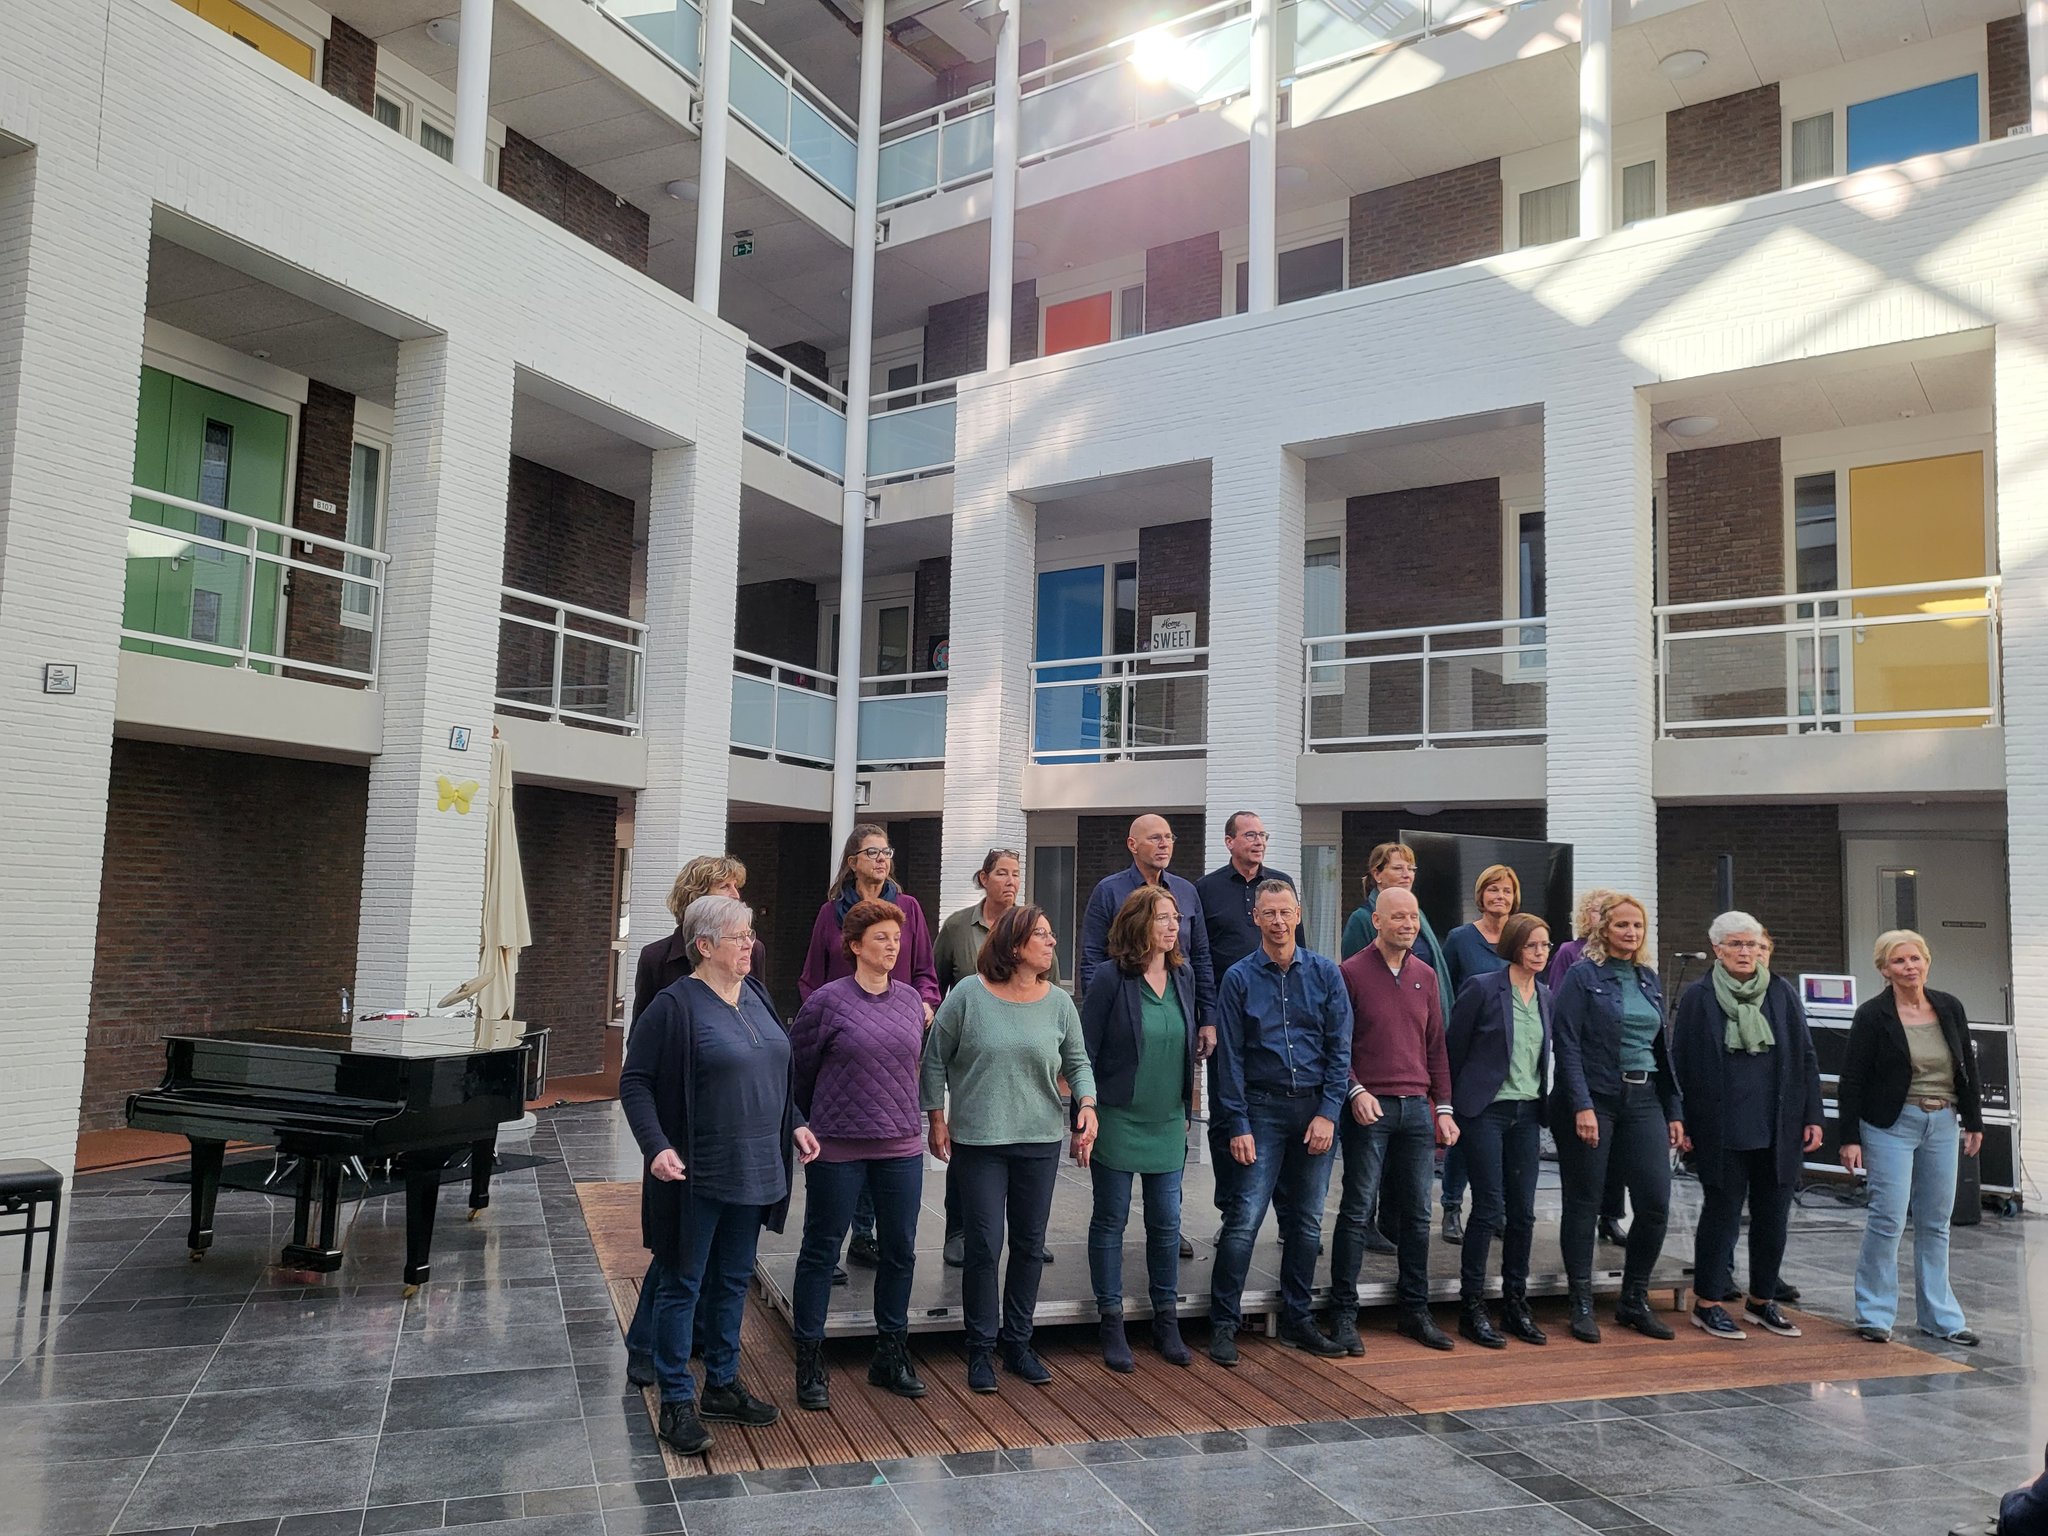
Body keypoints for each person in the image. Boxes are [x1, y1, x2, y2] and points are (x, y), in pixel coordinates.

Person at [619, 895, 820, 1455]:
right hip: (697, 1172)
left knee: (733, 1280)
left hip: (756, 1168)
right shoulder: (674, 1006)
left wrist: (795, 1122)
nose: (750, 945)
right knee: (683, 1282)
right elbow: (635, 1081)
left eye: (750, 934)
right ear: (704, 945)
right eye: (739, 937)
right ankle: (676, 1400)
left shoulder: (755, 994)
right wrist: (656, 1145)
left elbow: (773, 1070)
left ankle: (723, 1385)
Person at [922, 904, 1097, 1392]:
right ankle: (980, 1349)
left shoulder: (1059, 1003)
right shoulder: (968, 995)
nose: (1052, 941)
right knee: (983, 1246)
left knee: (1028, 1245)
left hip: (1038, 1141)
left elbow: (1078, 1062)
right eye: (1042, 934)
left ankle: (1018, 1344)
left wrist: (1087, 1104)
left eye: (1051, 933)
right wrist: (936, 1118)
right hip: (979, 1142)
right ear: (1015, 946)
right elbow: (934, 1059)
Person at [623, 855, 764, 1390]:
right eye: (726, 887)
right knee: (677, 1252)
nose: (736, 896)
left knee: (723, 1258)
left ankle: (701, 1344)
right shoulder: (658, 959)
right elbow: (641, 1046)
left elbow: (754, 1025)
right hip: (679, 1126)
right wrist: (656, 1135)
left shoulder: (750, 954)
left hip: (734, 1127)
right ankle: (646, 1346)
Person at [787, 899, 929, 1411]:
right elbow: (797, 1070)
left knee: (900, 1251)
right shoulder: (827, 1002)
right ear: (854, 946)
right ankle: (810, 1359)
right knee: (821, 1251)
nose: (892, 946)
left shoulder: (911, 1001)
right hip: (838, 1148)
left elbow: (915, 1067)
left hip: (900, 1146)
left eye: (896, 938)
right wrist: (803, 1123)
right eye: (881, 938)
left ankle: (890, 1353)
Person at [1207, 880, 1352, 1365]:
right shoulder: (1238, 979)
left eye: (1285, 912)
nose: (1278, 921)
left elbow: (1340, 1049)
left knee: (1306, 1223)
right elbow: (1229, 1059)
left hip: (1314, 1110)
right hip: (1261, 1110)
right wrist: (1237, 1123)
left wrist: (1329, 1112)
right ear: (1256, 918)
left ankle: (1297, 1319)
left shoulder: (1326, 974)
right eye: (1268, 913)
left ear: (1298, 914)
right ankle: (1223, 1323)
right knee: (1244, 1219)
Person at [1670, 910, 1824, 1342]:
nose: (1746, 952)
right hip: (1721, 1125)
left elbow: (1805, 1056)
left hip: (1778, 1124)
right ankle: (1708, 1303)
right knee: (1721, 1213)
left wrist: (1813, 1115)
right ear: (1717, 949)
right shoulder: (1699, 996)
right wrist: (1681, 1119)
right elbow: (1680, 1061)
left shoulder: (1780, 991)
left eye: (1753, 944)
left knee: (1774, 1215)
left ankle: (1761, 1300)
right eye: (1736, 944)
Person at [799, 824, 942, 1272]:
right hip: (843, 1044)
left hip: (896, 1039)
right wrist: (825, 1020)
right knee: (846, 1134)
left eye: (887, 852)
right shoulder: (830, 913)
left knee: (884, 1130)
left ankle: (866, 1235)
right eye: (872, 852)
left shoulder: (908, 908)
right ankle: (836, 1240)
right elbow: (811, 978)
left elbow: (926, 971)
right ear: (853, 861)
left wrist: (924, 1003)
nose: (882, 859)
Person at [1838, 929, 1983, 1347]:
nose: (1909, 967)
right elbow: (1852, 1079)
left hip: (1942, 1121)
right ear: (1884, 969)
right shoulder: (1872, 1015)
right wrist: (1849, 1137)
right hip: (1891, 1124)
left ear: (1927, 961)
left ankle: (1941, 1318)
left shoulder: (1949, 1007)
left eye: (1915, 958)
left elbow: (1966, 1067)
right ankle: (1874, 1314)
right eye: (1898, 961)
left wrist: (1974, 1120)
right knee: (1888, 1218)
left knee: (1936, 1221)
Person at [1328, 887, 1457, 1356]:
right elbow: (1336, 1044)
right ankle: (1343, 1314)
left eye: (1414, 917)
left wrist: (1444, 1107)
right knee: (1357, 1209)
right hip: (1371, 1108)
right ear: (1376, 921)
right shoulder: (1350, 973)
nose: (1408, 925)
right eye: (1398, 917)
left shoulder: (1426, 975)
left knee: (1419, 1215)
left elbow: (1436, 1046)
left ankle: (1414, 1311)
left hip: (1418, 1109)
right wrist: (1354, 1090)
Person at [1550, 892, 1684, 1345]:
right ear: (1603, 929)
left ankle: (1634, 1299)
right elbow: (1566, 1043)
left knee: (1655, 1203)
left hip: (1644, 1098)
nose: (1631, 932)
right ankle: (1581, 1303)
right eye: (1622, 924)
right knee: (1584, 1202)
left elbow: (1662, 1050)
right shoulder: (1582, 976)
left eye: (1638, 925)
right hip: (1596, 1098)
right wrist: (1581, 1104)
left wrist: (1673, 1108)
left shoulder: (1648, 978)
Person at [1079, 884, 1199, 1371]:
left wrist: (1187, 1108)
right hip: (1118, 1117)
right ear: (1137, 924)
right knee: (1110, 1220)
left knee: (1166, 1223)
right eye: (1162, 918)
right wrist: (1084, 1113)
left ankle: (1166, 1320)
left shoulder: (1184, 975)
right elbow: (1085, 1050)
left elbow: (1187, 1045)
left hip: (1167, 1119)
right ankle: (1111, 1321)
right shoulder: (1111, 977)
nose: (1173, 926)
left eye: (1176, 918)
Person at [932, 847, 1058, 1268]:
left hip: (1023, 1049)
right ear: (983, 878)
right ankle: (959, 1229)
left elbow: (1049, 985)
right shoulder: (958, 926)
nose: (1011, 881)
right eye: (1002, 873)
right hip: (975, 1047)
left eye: (1016, 874)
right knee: (970, 1143)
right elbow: (936, 980)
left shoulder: (1033, 928)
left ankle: (1028, 1234)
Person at [1338, 842, 1463, 1240]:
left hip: (1414, 1065)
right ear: (1377, 875)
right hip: (1372, 1080)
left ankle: (1393, 1236)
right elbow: (1354, 1004)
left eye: (1411, 868)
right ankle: (1367, 1234)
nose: (1407, 874)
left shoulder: (1419, 926)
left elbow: (1431, 983)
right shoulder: (1362, 923)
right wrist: (1355, 1086)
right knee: (1361, 1192)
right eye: (1398, 867)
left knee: (1412, 1197)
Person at [1446, 911, 1554, 1349]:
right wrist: (1450, 1108)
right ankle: (1472, 1306)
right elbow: (1454, 1048)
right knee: (1488, 1207)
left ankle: (1515, 1303)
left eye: (1545, 945)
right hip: (1485, 1111)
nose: (1540, 953)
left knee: (1523, 1213)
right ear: (1513, 946)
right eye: (1532, 945)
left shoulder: (1546, 995)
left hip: (1527, 1112)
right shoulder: (1483, 987)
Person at [1193, 812, 1293, 1254]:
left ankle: (1289, 1217)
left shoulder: (1281, 884)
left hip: (1279, 1018)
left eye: (1262, 835)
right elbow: (1200, 957)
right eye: (1250, 835)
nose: (1259, 841)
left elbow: (1300, 946)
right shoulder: (1207, 889)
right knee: (1227, 1119)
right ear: (1229, 841)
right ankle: (1233, 1214)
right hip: (1227, 1020)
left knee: (1288, 1115)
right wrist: (1207, 1017)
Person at [1546, 888, 1630, 1249]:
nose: (1602, 916)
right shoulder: (1570, 953)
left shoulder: (1629, 963)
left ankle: (1611, 1216)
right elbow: (1559, 1002)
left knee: (1617, 1156)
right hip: (1584, 1063)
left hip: (1618, 1070)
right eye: (1597, 911)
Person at [632, 854, 767, 1025]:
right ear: (696, 897)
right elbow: (642, 1029)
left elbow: (759, 1017)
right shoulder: (655, 957)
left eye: (736, 886)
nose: (736, 895)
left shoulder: (752, 949)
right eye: (724, 887)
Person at [1441, 864, 1519, 994]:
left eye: (1507, 891)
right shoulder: (1459, 938)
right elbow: (1444, 989)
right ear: (1481, 895)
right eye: (1493, 890)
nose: (1500, 896)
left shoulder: (1522, 938)